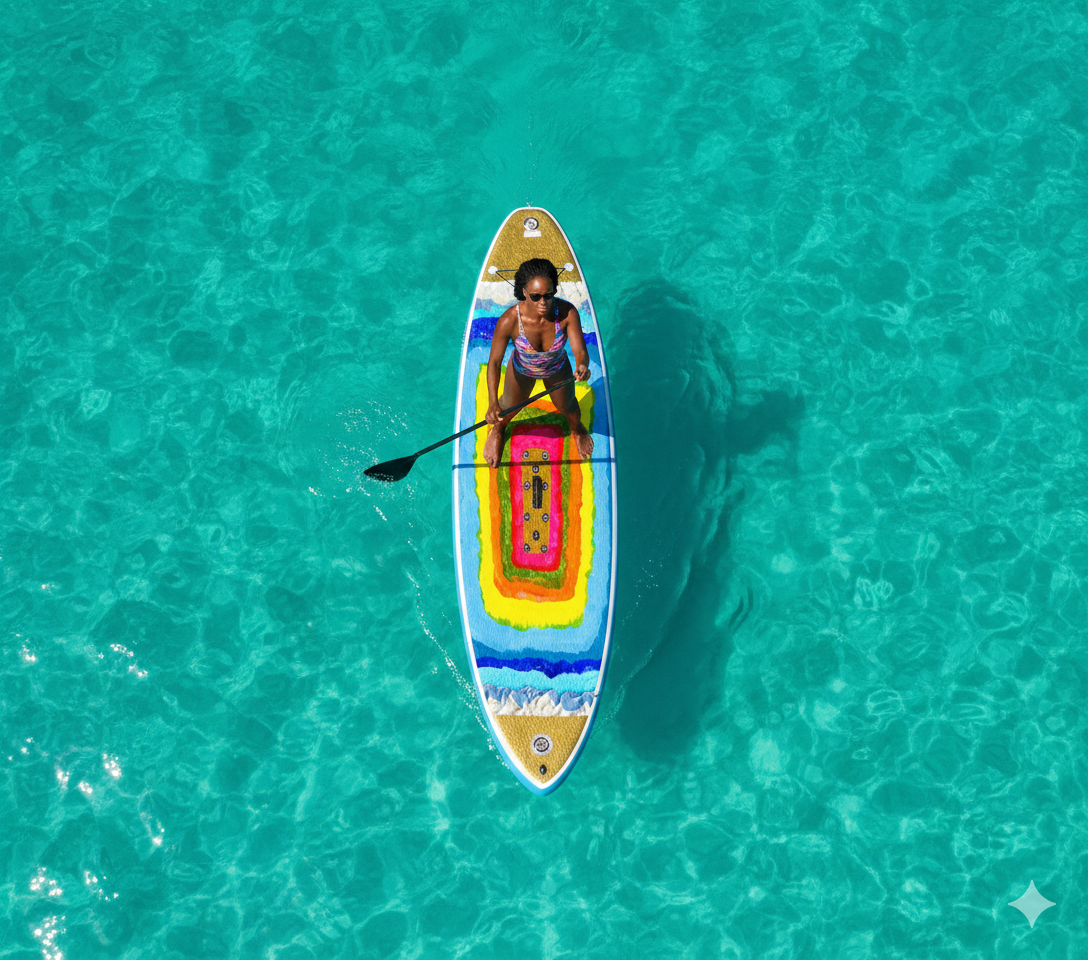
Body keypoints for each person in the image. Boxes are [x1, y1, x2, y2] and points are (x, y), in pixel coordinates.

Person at [482, 258, 594, 468]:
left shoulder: (567, 313)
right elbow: (495, 362)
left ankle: (576, 428)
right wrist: (492, 402)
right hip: (522, 370)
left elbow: (580, 351)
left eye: (548, 295)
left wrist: (582, 366)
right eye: (536, 296)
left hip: (556, 369)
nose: (543, 302)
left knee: (568, 407)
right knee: (506, 409)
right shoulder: (509, 321)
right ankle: (498, 430)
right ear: (524, 292)